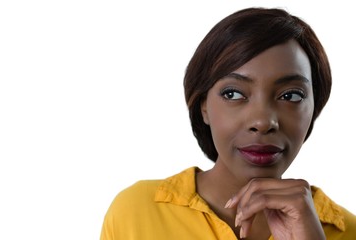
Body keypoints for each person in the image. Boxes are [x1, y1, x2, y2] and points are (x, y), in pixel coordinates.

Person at [100, 7, 356, 240]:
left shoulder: (347, 230)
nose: (263, 121)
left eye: (290, 96)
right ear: (203, 107)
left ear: (314, 109)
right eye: (233, 94)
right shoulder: (135, 213)